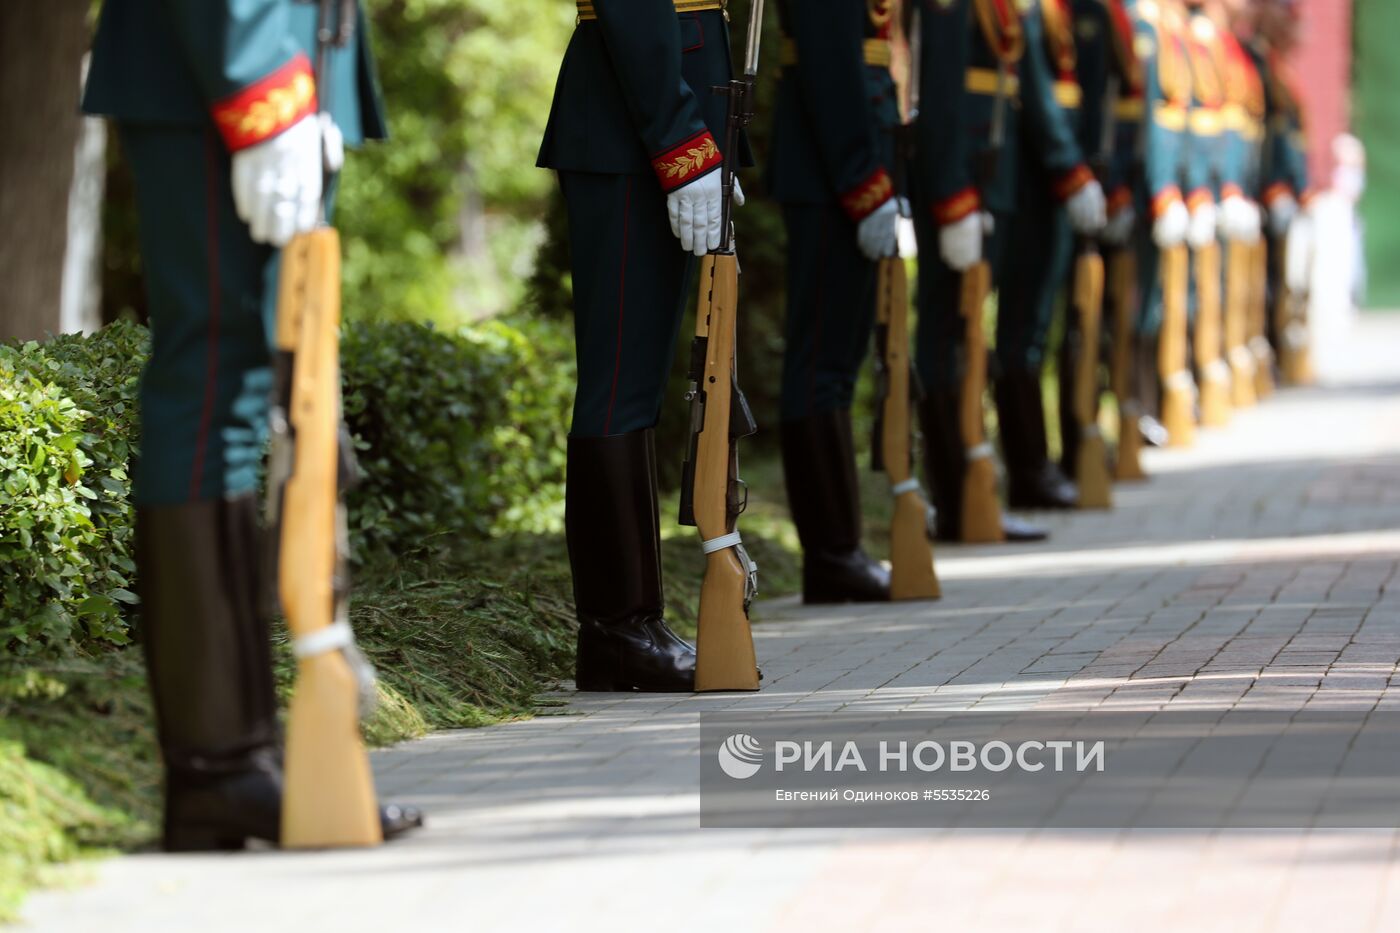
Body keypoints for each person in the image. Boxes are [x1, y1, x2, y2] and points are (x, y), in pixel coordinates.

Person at [81, 0, 420, 849]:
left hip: (289, 60)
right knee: (217, 390)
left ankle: (241, 756)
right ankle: (217, 766)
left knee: (260, 390)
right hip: (234, 62)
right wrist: (263, 80)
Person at [537, 0, 748, 690]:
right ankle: (616, 628)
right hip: (637, 127)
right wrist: (683, 144)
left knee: (638, 384)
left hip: (664, 118)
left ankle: (632, 626)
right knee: (619, 384)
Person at [912, 0, 1106, 543]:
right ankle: (953, 500)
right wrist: (953, 195)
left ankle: (970, 496)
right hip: (965, 179)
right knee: (948, 338)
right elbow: (942, 90)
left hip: (989, 177)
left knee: (966, 340)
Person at [767, 0, 897, 603]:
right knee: (820, 366)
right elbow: (830, 64)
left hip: (848, 171)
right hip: (830, 176)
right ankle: (830, 552)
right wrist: (863, 182)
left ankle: (841, 550)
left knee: (836, 369)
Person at [1122, 0, 1193, 439]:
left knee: (1152, 305)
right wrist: (1163, 189)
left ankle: (1144, 408)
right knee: (1128, 306)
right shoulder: (1138, 19)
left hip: (1157, 187)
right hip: (1137, 187)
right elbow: (1149, 117)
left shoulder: (1162, 22)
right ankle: (1130, 409)